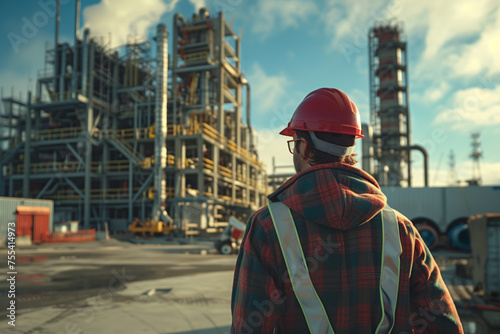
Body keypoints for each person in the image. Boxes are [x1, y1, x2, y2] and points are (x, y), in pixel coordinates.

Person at [231, 88, 463, 333]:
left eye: (294, 144)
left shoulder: (268, 226)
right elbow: (444, 325)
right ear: (351, 149)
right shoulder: (401, 229)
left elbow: (249, 327)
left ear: (303, 147)